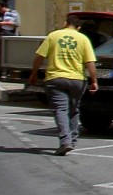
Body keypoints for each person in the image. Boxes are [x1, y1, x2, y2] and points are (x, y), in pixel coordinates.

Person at [27, 13, 98, 156]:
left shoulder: (53, 36)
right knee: (74, 109)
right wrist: (94, 81)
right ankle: (72, 141)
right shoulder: (83, 39)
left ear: (65, 23)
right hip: (77, 79)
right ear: (78, 27)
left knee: (60, 109)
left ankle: (65, 141)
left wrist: (33, 74)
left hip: (55, 78)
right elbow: (90, 62)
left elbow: (39, 57)